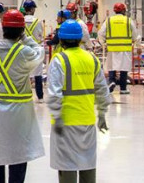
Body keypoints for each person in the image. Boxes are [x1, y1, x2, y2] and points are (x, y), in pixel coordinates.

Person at [0, 9, 44, 183]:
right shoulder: (25, 53)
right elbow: (39, 52)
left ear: (3, 28)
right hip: (20, 113)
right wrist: (26, 38)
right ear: (21, 31)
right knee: (18, 156)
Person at [46, 20, 111, 183]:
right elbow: (103, 90)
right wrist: (102, 114)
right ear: (80, 38)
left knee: (66, 165)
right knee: (87, 163)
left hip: (65, 123)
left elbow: (54, 94)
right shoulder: (92, 59)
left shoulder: (59, 60)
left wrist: (57, 117)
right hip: (87, 121)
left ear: (61, 40)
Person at [98, 2, 134, 95]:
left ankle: (112, 82)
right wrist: (137, 44)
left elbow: (101, 33)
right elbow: (135, 34)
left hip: (112, 48)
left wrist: (103, 43)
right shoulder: (128, 20)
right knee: (124, 68)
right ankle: (123, 88)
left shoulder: (109, 20)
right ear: (123, 10)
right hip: (125, 48)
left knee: (111, 67)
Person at [22, 0, 45, 100]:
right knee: (38, 74)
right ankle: (40, 97)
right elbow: (40, 36)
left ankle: (24, 95)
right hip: (36, 50)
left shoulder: (21, 21)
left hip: (24, 49)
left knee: (24, 73)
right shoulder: (38, 21)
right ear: (31, 9)